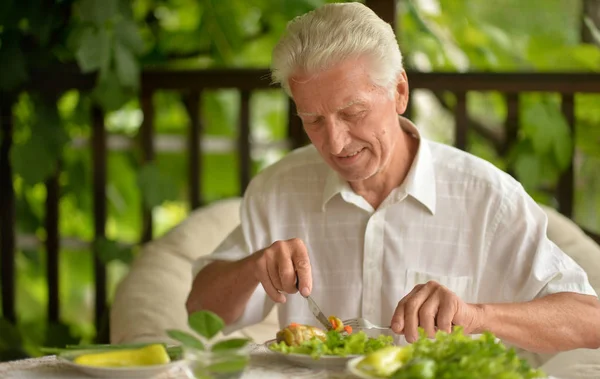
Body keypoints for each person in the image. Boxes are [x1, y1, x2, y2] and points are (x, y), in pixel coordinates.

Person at [186, 2, 600, 353]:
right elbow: (202, 314)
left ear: (399, 92)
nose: (334, 142)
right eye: (313, 119)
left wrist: (475, 316)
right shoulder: (276, 189)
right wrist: (252, 267)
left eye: (352, 113)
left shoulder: (488, 197)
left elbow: (590, 323)